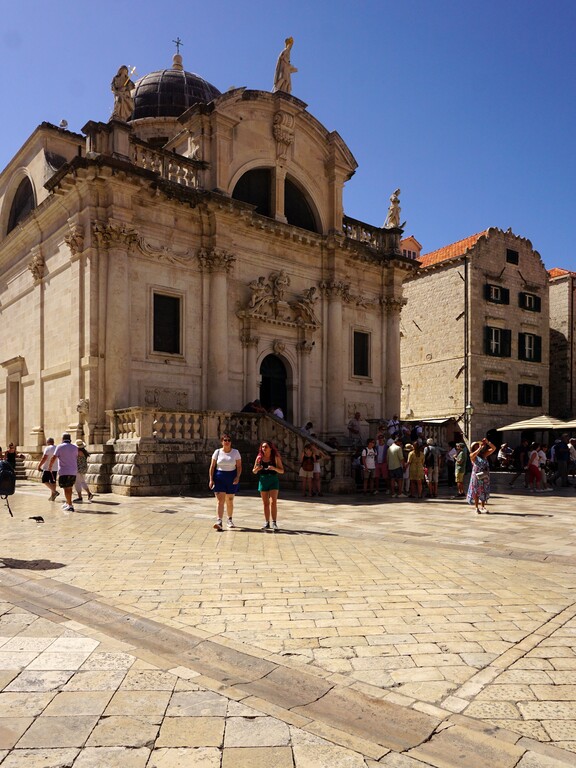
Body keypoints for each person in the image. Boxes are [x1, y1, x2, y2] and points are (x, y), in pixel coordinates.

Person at [209, 433, 242, 531]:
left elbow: (239, 466)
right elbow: (212, 466)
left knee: (230, 499)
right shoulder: (217, 452)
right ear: (222, 442)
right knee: (220, 500)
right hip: (219, 477)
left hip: (231, 476)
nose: (227, 442)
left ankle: (229, 519)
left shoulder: (235, 452)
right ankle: (219, 521)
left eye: (228, 440)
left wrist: (237, 476)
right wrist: (211, 479)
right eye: (225, 440)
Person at [253, 441, 284, 531]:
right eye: (262, 447)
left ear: (270, 448)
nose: (264, 448)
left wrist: (274, 468)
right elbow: (254, 471)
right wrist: (257, 469)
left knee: (273, 501)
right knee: (265, 503)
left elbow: (282, 471)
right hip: (263, 480)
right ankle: (267, 522)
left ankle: (274, 522)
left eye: (266, 447)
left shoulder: (275, 457)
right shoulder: (259, 458)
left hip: (273, 479)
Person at [48, 433, 79, 513]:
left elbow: (54, 457)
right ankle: (68, 502)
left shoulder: (60, 447)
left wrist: (50, 467)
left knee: (66, 488)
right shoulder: (75, 447)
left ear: (62, 439)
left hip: (64, 471)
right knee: (70, 487)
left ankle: (70, 505)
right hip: (73, 471)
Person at [467, 438, 496, 513]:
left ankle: (483, 506)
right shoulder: (472, 455)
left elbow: (494, 448)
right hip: (476, 476)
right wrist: (479, 448)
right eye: (476, 446)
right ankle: (476, 507)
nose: (477, 446)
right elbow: (474, 455)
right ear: (473, 448)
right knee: (476, 490)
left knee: (483, 490)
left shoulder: (484, 455)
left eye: (478, 445)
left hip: (484, 475)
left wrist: (488, 442)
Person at [37, 437, 59, 501]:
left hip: (47, 467)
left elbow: (44, 458)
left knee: (44, 480)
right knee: (53, 481)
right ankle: (52, 496)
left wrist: (39, 466)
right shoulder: (56, 448)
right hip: (55, 467)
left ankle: (54, 492)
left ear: (47, 442)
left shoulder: (48, 448)